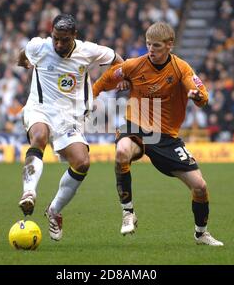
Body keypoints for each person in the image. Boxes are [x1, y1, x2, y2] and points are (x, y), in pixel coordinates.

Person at [92, 22, 223, 246]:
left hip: (166, 137)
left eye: (157, 46)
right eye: (148, 44)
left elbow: (202, 95)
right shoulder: (134, 65)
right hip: (136, 126)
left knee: (200, 187)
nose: (151, 49)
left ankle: (201, 234)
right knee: (122, 152)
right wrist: (88, 99)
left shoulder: (181, 68)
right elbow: (105, 81)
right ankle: (128, 212)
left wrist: (197, 96)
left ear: (170, 45)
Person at [17, 14, 123, 241]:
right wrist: (24, 62)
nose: (58, 44)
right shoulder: (39, 46)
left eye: (64, 40)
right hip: (40, 108)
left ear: (74, 36)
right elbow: (24, 53)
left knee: (82, 162)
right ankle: (29, 192)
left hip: (69, 118)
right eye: (55, 38)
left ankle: (54, 211)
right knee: (39, 136)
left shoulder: (88, 51)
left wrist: (123, 78)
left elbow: (117, 59)